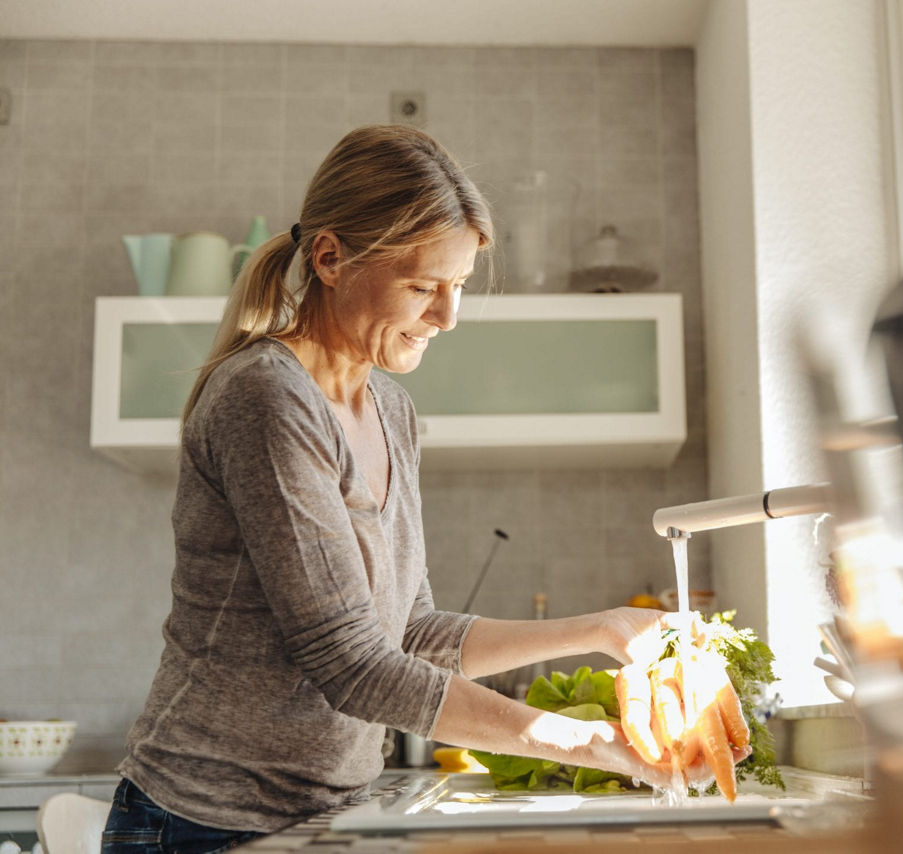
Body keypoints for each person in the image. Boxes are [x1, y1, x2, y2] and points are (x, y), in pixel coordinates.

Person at [102, 125, 697, 853]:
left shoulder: (392, 412)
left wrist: (598, 631)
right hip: (202, 822)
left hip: (323, 815)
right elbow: (349, 662)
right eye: (422, 286)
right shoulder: (267, 398)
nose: (446, 317)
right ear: (329, 257)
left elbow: (408, 636)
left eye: (457, 289)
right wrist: (587, 742)